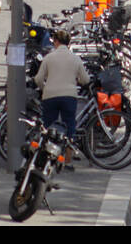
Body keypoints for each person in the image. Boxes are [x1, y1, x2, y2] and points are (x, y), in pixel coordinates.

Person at [34, 28, 91, 162]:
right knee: (69, 126)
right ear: (68, 43)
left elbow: (38, 79)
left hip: (50, 95)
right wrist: (76, 81)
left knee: (48, 126)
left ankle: (47, 157)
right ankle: (67, 159)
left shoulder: (49, 57)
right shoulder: (75, 58)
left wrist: (44, 88)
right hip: (69, 96)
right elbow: (85, 79)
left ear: (56, 41)